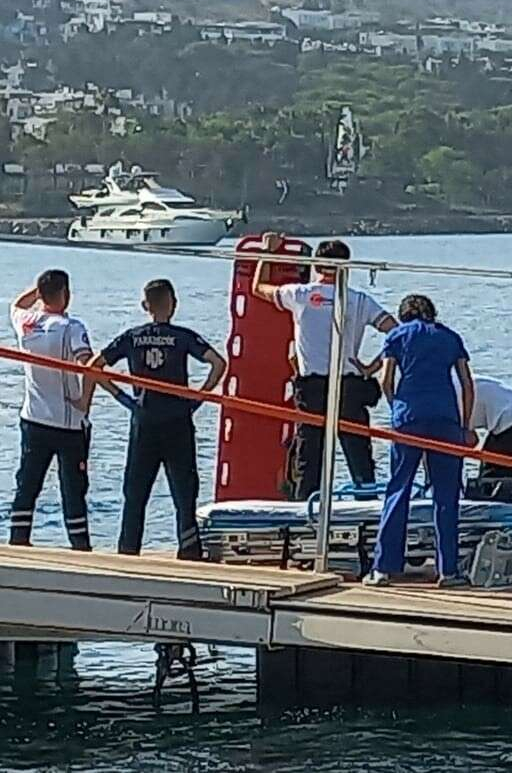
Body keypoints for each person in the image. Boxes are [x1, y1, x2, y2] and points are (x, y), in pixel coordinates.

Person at [85, 279, 227, 560]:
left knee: (135, 493)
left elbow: (94, 368)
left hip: (145, 421)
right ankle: (189, 551)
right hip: (178, 421)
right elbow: (218, 363)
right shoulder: (183, 336)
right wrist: (198, 397)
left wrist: (124, 398)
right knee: (184, 493)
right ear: (173, 304)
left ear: (145, 306)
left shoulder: (132, 337)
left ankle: (128, 552)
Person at [252, 233, 395, 499]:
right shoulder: (359, 300)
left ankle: (306, 504)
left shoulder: (300, 294)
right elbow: (397, 333)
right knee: (358, 452)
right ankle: (366, 501)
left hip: (313, 386)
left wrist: (267, 251)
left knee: (309, 453)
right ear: (346, 266)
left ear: (317, 265)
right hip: (348, 384)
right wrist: (372, 367)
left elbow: (259, 287)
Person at [366, 294, 474, 588]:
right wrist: (465, 426)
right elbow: (466, 383)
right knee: (446, 495)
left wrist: (396, 407)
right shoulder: (450, 337)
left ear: (404, 315)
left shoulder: (397, 336)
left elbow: (385, 380)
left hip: (409, 417)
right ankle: (448, 570)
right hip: (445, 418)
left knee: (398, 489)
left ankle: (383, 568)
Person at [9, 270, 94, 550]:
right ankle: (80, 546)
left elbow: (17, 304)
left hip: (33, 417)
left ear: (41, 295)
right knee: (73, 488)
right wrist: (85, 401)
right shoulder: (72, 327)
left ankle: (18, 540)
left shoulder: (25, 321)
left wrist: (38, 290)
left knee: (28, 483)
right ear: (65, 294)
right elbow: (88, 366)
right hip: (67, 423)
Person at [464, 376, 512, 509]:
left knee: (492, 475)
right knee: (510, 467)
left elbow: (471, 441)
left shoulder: (446, 403)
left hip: (511, 418)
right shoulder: (450, 388)